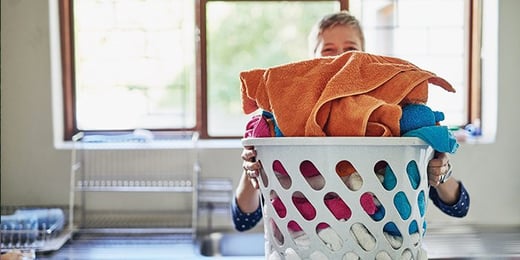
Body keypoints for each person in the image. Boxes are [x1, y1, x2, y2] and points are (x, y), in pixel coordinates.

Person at [232, 10, 470, 232]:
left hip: (378, 244)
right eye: (328, 50)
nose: (340, 58)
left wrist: (439, 170)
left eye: (350, 49)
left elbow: (459, 206)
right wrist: (252, 170)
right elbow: (243, 219)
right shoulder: (286, 116)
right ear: (309, 60)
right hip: (309, 244)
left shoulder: (390, 110)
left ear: (365, 58)